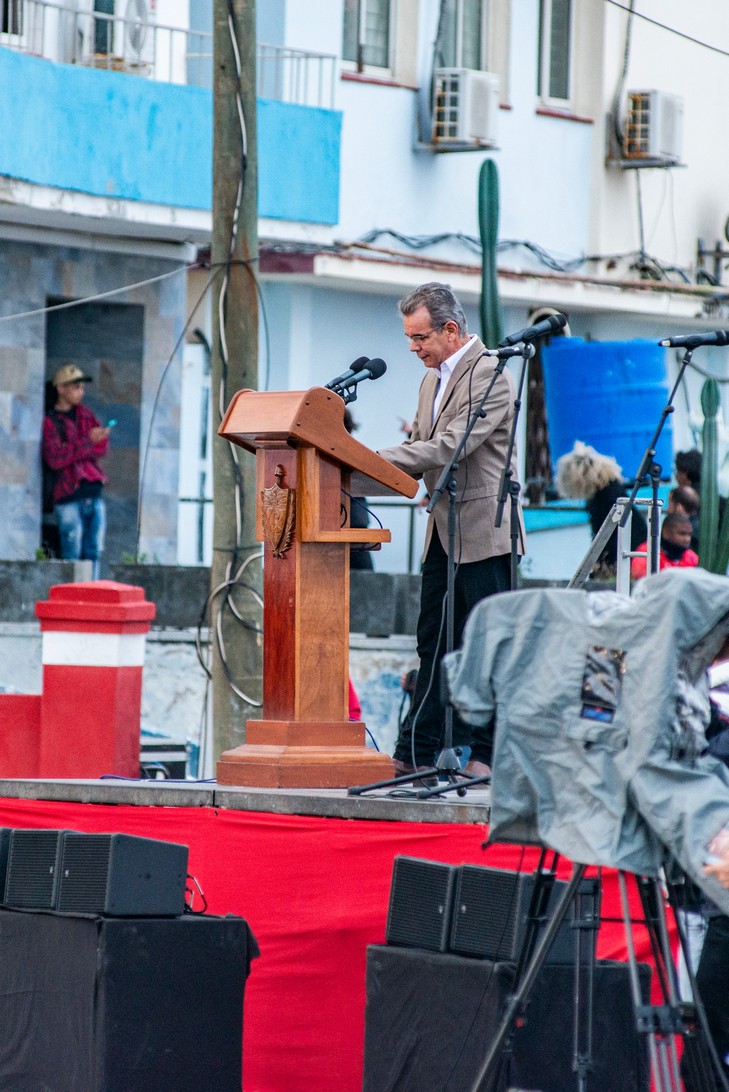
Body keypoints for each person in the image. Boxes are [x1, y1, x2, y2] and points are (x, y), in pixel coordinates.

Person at [378, 281, 526, 781]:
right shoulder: (430, 379)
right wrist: (358, 471)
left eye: (419, 338)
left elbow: (449, 445)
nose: (413, 348)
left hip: (486, 530)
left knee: (482, 643)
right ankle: (416, 751)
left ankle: (485, 754)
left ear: (451, 328)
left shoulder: (491, 374)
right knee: (430, 643)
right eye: (409, 338)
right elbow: (422, 446)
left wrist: (372, 460)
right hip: (442, 529)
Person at [41, 364, 110, 578]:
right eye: (75, 387)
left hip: (93, 493)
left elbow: (101, 448)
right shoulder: (50, 421)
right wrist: (86, 443)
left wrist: (84, 445)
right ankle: (74, 600)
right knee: (73, 553)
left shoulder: (86, 415)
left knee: (94, 551)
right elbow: (55, 458)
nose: (81, 392)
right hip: (68, 496)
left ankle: (92, 597)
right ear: (61, 389)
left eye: (82, 387)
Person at [555, 440, 647, 574]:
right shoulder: (612, 491)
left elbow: (606, 534)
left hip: (624, 554)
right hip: (629, 550)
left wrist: (601, 563)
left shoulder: (605, 498)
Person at [630, 511, 698, 579]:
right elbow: (641, 579)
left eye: (689, 534)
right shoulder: (647, 551)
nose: (687, 539)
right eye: (682, 534)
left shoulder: (692, 557)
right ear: (666, 532)